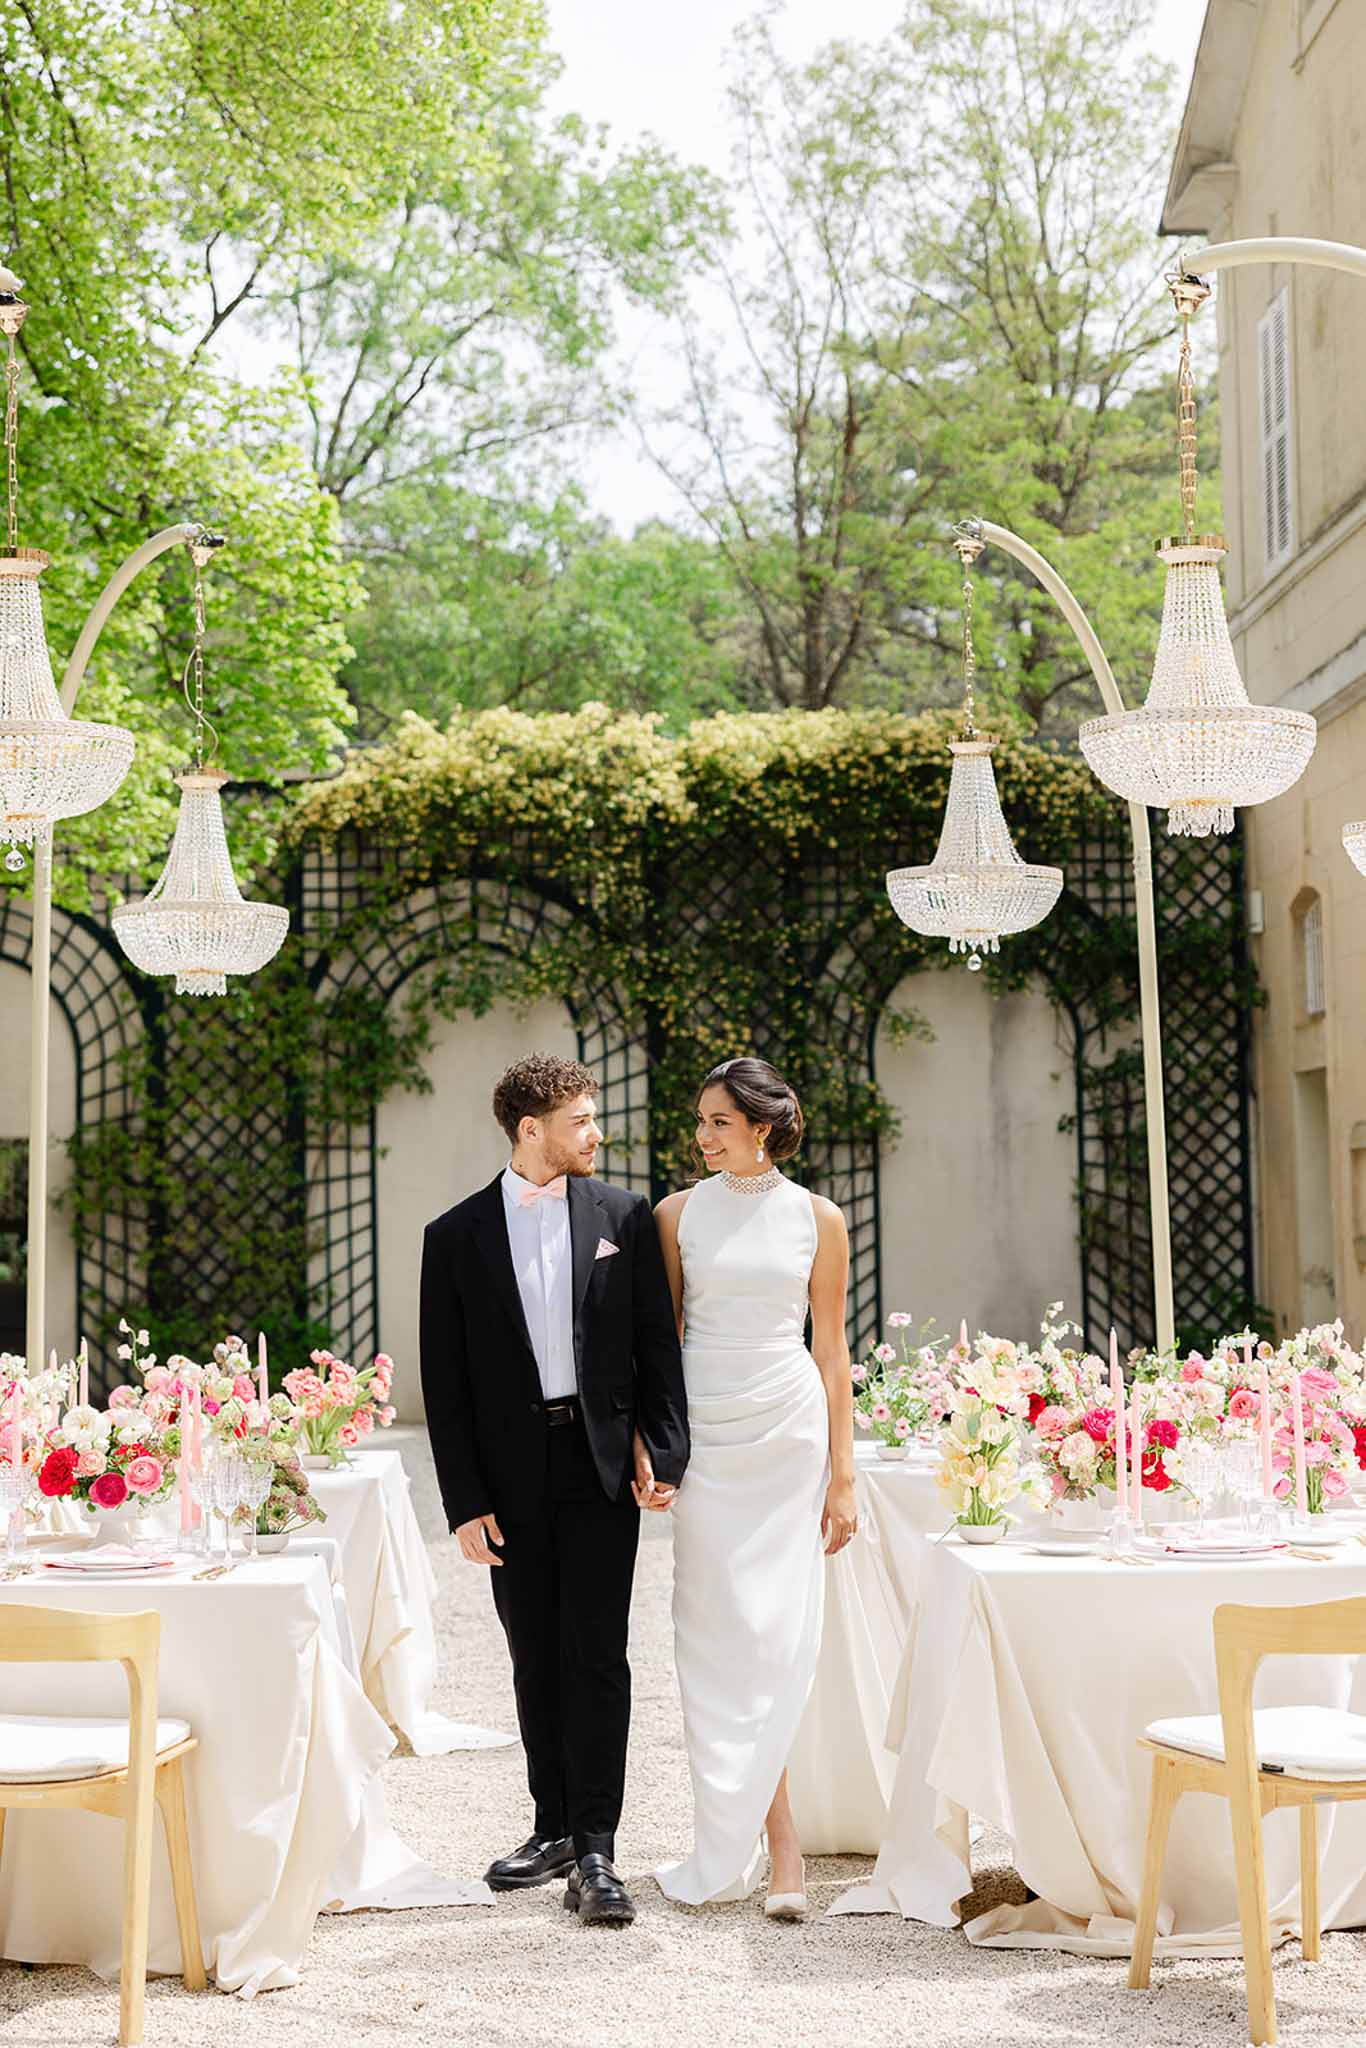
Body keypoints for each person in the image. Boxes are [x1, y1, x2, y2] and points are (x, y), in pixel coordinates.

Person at [420, 1053, 689, 1927]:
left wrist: (665, 1449)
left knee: (598, 1656)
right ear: (531, 1129)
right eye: (581, 1119)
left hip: (601, 1462)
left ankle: (600, 1846)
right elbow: (445, 1381)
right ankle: (553, 1827)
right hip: (509, 1476)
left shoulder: (624, 1215)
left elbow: (656, 1342)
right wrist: (464, 1500)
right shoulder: (452, 1236)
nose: (596, 1133)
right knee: (533, 1653)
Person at [654, 1056, 857, 1918]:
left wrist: (843, 1475)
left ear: (763, 1127)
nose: (702, 1138)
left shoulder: (820, 1218)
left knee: (777, 1633)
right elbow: (659, 1347)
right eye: (700, 1122)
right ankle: (736, 1835)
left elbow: (832, 1350)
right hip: (705, 1434)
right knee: (715, 1631)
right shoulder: (673, 1217)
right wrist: (652, 1452)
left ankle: (784, 1852)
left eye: (719, 1124)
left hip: (787, 1432)